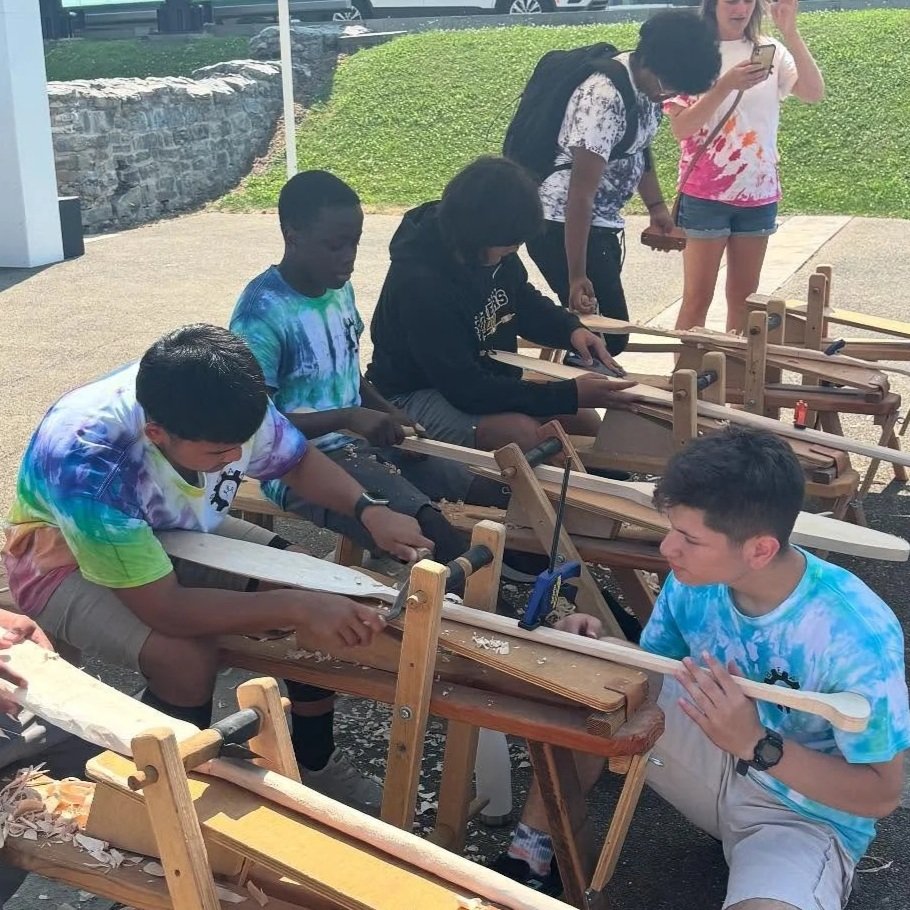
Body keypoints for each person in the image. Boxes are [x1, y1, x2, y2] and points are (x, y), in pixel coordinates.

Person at [2, 324, 432, 815]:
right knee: (184, 660)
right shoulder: (87, 460)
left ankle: (314, 761)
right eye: (219, 453)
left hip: (167, 527)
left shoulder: (223, 394)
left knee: (311, 578)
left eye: (240, 445)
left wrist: (368, 510)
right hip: (60, 559)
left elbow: (295, 460)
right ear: (156, 434)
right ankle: (151, 803)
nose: (235, 459)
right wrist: (297, 607)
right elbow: (167, 609)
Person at [491, 427, 909, 909]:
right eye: (671, 528)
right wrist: (597, 649)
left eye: (689, 538)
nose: (667, 548)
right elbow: (650, 677)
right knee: (599, 672)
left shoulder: (854, 634)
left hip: (801, 814)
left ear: (760, 550)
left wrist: (756, 743)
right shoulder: (698, 576)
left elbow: (881, 795)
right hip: (716, 757)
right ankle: (530, 853)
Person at [230, 169, 507, 572]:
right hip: (297, 464)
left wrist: (389, 412)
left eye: (355, 242)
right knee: (430, 531)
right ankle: (483, 605)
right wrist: (348, 417)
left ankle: (544, 591)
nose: (349, 257)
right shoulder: (261, 314)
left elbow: (345, 369)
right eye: (335, 245)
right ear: (293, 236)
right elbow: (257, 426)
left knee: (489, 490)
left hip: (358, 443)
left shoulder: (337, 287)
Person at [366, 155, 636, 454]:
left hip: (480, 381)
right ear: (476, 235)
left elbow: (519, 298)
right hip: (410, 396)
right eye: (508, 245)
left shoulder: (490, 246)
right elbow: (466, 388)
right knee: (521, 435)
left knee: (584, 420)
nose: (513, 250)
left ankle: (608, 478)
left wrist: (571, 330)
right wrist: (568, 394)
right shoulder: (421, 285)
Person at [524, 10, 721, 354]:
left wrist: (657, 208)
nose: (667, 96)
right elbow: (579, 196)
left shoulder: (646, 84)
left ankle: (575, 366)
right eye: (668, 87)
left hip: (599, 225)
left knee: (604, 332)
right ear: (649, 62)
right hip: (560, 225)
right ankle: (554, 357)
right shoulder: (603, 97)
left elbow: (637, 147)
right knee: (608, 334)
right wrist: (576, 275)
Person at [668, 0, 824, 333]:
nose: (740, 8)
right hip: (705, 194)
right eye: (730, 0)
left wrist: (791, 33)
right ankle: (684, 368)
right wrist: (725, 85)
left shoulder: (769, 50)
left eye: (747, 0)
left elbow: (813, 92)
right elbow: (681, 128)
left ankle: (736, 370)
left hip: (758, 192)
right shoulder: (691, 52)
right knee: (697, 298)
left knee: (744, 301)